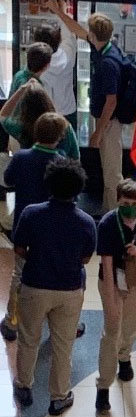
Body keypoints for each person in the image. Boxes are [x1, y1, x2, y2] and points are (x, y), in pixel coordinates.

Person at [12, 158, 96, 416]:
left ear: (49, 184)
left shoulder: (31, 213)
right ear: (78, 188)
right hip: (69, 289)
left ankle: (24, 385)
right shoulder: (86, 222)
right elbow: (85, 259)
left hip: (35, 285)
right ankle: (59, 397)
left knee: (28, 339)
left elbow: (19, 248)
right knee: (63, 345)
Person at [47, 0, 123, 211]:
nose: (86, 33)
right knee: (109, 171)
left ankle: (113, 216)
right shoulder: (104, 45)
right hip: (104, 118)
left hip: (109, 121)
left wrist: (98, 132)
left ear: (95, 35)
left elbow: (111, 101)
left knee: (112, 174)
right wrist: (60, 13)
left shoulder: (109, 63)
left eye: (90, 31)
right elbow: (78, 31)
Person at [0, 112, 65, 342]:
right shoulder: (62, 160)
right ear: (59, 137)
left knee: (19, 274)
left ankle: (12, 321)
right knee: (53, 273)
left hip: (24, 227)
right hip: (54, 229)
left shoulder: (22, 158)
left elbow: (7, 181)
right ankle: (55, 320)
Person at [95, 179, 136, 412]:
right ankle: (103, 386)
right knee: (111, 331)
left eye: (134, 203)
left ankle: (124, 357)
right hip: (113, 281)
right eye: (125, 203)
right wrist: (110, 302)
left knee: (131, 326)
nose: (130, 207)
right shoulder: (108, 223)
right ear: (118, 201)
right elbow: (106, 266)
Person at [0, 79, 80, 158]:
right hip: (59, 169)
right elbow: (75, 157)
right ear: (48, 101)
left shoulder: (21, 128)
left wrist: (21, 89)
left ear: (24, 108)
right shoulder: (64, 127)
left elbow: (3, 115)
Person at [34, 5, 78, 131]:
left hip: (45, 115)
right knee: (69, 149)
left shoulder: (37, 63)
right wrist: (60, 9)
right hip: (68, 113)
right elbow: (68, 33)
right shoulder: (67, 54)